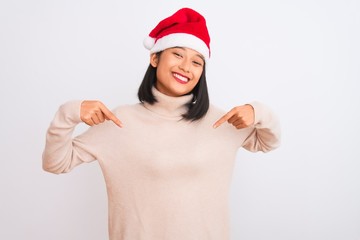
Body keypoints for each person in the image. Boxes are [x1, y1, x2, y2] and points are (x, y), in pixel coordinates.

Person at [42, 7, 281, 240]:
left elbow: (269, 142)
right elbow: (56, 163)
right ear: (155, 57)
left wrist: (258, 111)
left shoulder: (221, 122)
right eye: (177, 54)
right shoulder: (120, 122)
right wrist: (69, 112)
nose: (186, 67)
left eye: (197, 62)